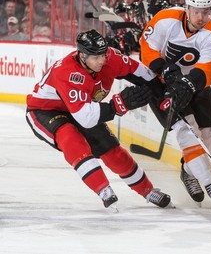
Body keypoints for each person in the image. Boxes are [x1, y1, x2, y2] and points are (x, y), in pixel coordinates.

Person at [25, 29, 172, 210]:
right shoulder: (67, 71)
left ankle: (148, 191)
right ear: (82, 56)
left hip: (82, 108)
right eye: (95, 57)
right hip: (45, 111)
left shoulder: (111, 58)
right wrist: (117, 105)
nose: (102, 61)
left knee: (112, 150)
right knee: (71, 139)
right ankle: (103, 189)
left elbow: (141, 73)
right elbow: (85, 118)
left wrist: (163, 92)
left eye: (103, 55)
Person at [139, 0, 211, 208]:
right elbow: (147, 47)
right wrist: (164, 69)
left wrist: (188, 84)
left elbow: (208, 68)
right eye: (196, 11)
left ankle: (188, 170)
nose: (201, 17)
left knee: (206, 133)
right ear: (187, 8)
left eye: (206, 11)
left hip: (195, 82)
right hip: (160, 82)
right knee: (187, 129)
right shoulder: (166, 19)